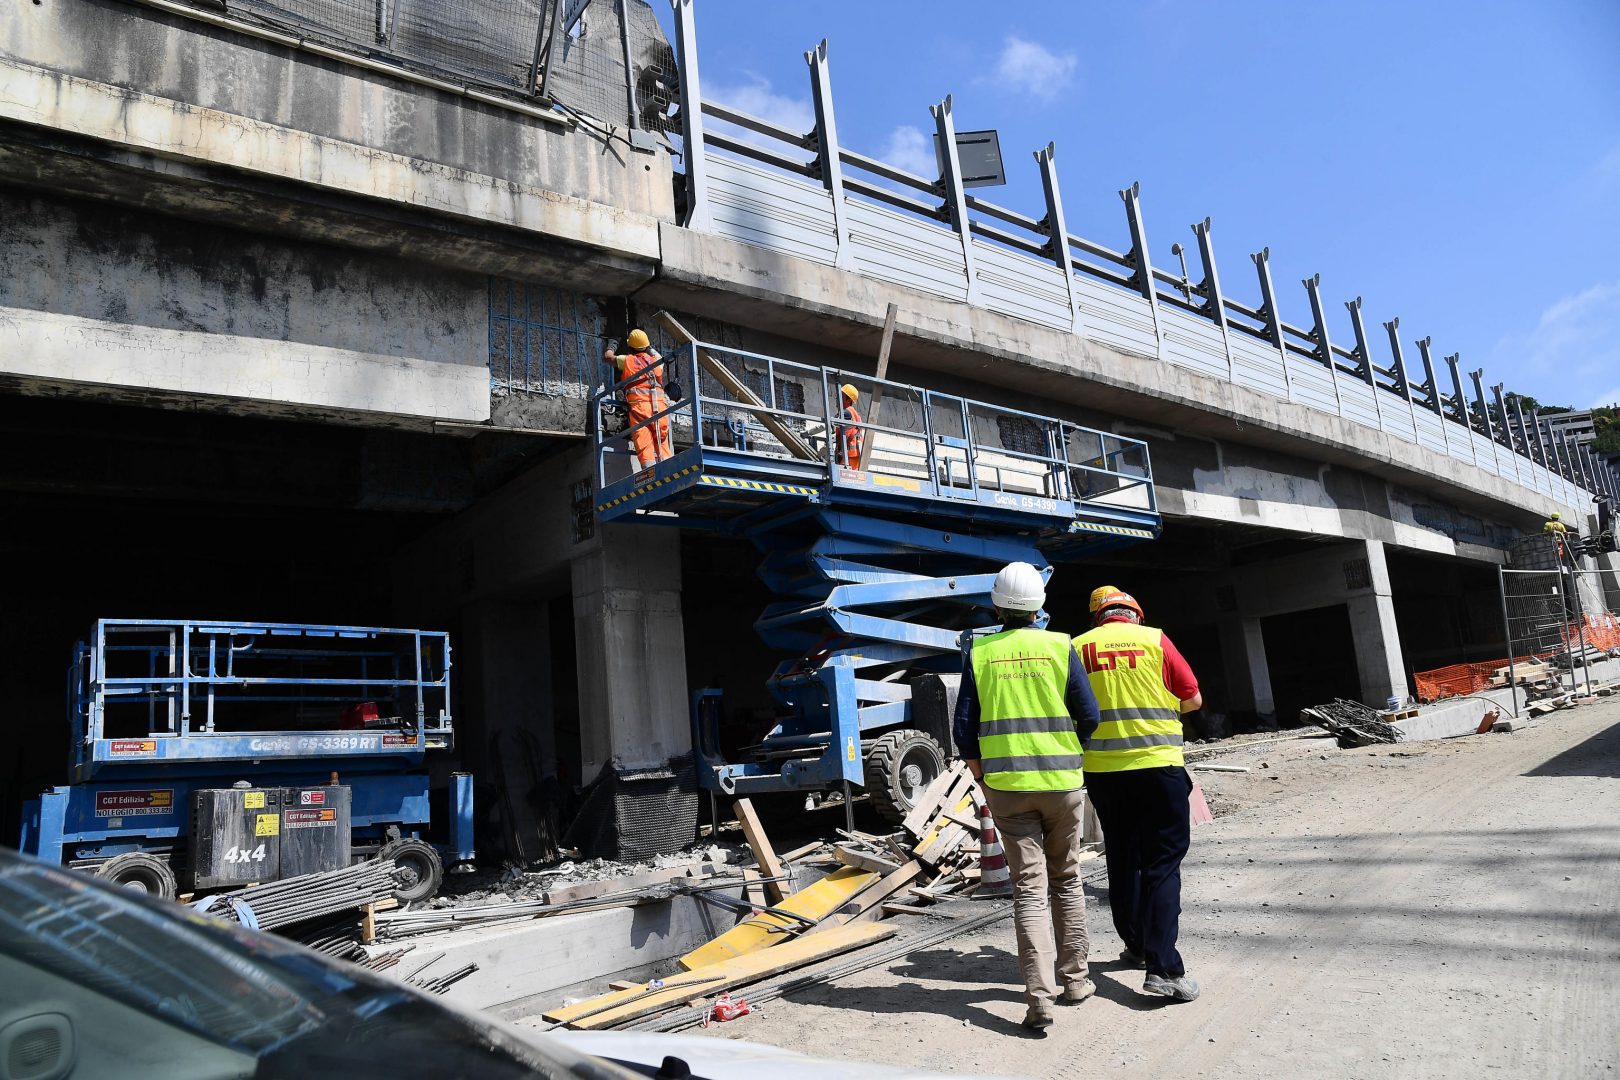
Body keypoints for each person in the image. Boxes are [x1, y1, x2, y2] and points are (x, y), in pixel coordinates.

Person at [953, 562, 1101, 1032]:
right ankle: (1075, 980)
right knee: (1068, 879)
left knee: (1030, 892)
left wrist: (983, 775)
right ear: (1039, 604)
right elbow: (1089, 714)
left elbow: (964, 729)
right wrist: (1069, 754)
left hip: (1008, 789)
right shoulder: (1061, 645)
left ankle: (1040, 1000)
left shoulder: (980, 650)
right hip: (1062, 784)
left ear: (997, 605)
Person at [1075, 586, 1203, 1003]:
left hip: (1104, 773)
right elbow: (1193, 698)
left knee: (1123, 859)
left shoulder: (1075, 648)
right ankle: (1163, 967)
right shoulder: (1155, 639)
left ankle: (1135, 943)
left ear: (1098, 616)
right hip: (1158, 767)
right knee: (1162, 865)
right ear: (1135, 614)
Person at [603, 329, 674, 468]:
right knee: (663, 443)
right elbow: (656, 354)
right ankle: (668, 471)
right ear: (647, 346)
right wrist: (648, 348)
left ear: (630, 347)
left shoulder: (627, 360)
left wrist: (613, 343)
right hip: (660, 408)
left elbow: (608, 357)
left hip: (640, 409)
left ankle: (650, 477)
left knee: (645, 445)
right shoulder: (657, 362)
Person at [836, 383, 865, 470]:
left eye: (841, 396)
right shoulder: (855, 414)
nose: (838, 398)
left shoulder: (847, 413)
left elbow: (832, 422)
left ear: (849, 400)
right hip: (854, 455)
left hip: (848, 455)